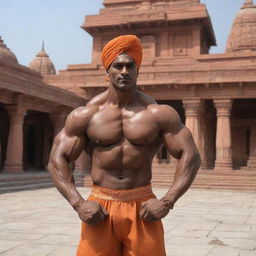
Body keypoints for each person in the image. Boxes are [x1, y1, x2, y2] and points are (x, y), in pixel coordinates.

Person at [48, 35, 201, 256]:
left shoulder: (158, 113)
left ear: (138, 70)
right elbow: (57, 159)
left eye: (130, 66)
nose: (124, 71)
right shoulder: (87, 114)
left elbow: (191, 155)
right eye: (117, 66)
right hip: (100, 205)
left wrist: (167, 201)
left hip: (143, 206)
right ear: (107, 72)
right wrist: (78, 203)